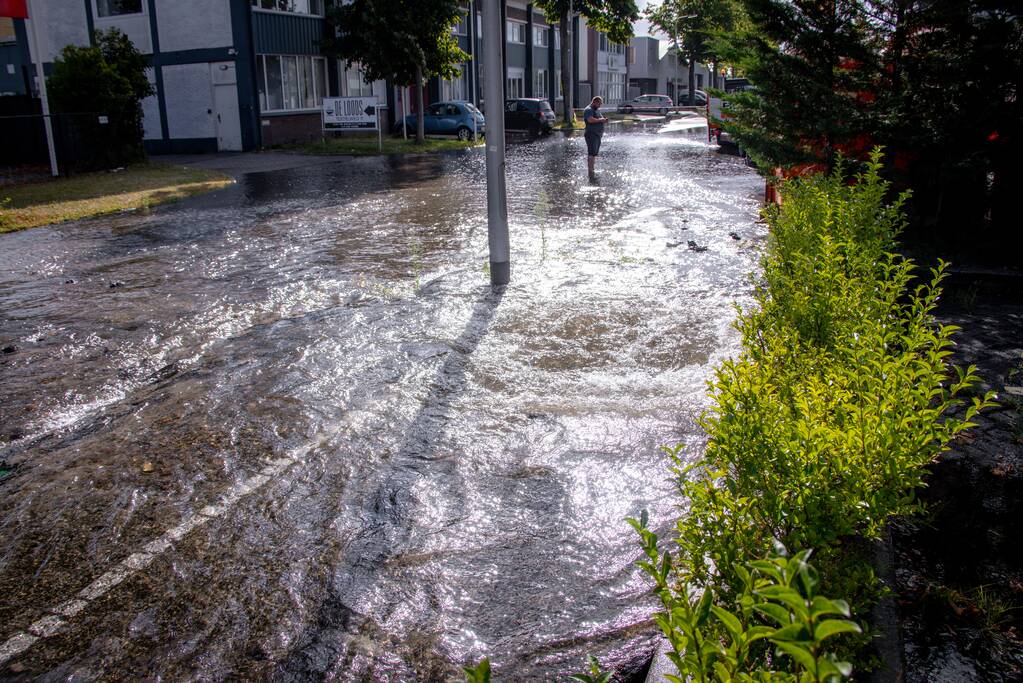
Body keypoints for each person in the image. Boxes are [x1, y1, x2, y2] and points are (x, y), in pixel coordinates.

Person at [582, 96, 608, 181]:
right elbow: (590, 120)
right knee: (591, 153)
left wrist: (604, 120)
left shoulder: (596, 110)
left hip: (597, 135)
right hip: (591, 134)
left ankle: (592, 169)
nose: (600, 106)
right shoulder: (588, 110)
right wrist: (601, 120)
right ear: (595, 102)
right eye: (599, 104)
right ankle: (590, 171)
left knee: (594, 154)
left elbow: (599, 118)